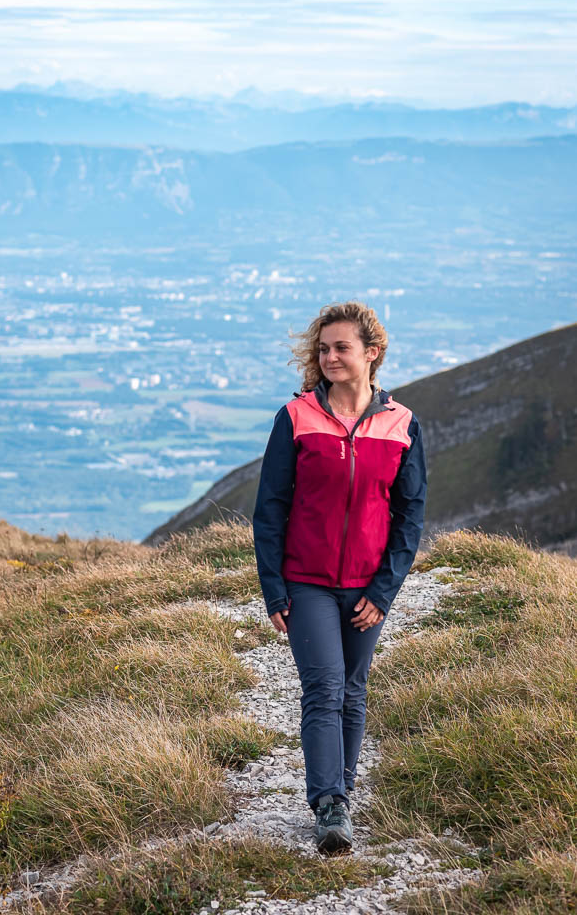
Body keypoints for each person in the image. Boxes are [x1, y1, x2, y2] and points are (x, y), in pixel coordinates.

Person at [252, 300, 427, 853]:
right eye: (323, 348)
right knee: (324, 687)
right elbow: (270, 508)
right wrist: (274, 588)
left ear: (371, 354)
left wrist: (384, 590)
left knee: (353, 690)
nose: (329, 356)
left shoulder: (401, 425)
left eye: (341, 347)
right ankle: (328, 802)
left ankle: (342, 795)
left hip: (366, 585)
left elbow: (410, 515)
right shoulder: (297, 417)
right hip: (306, 581)